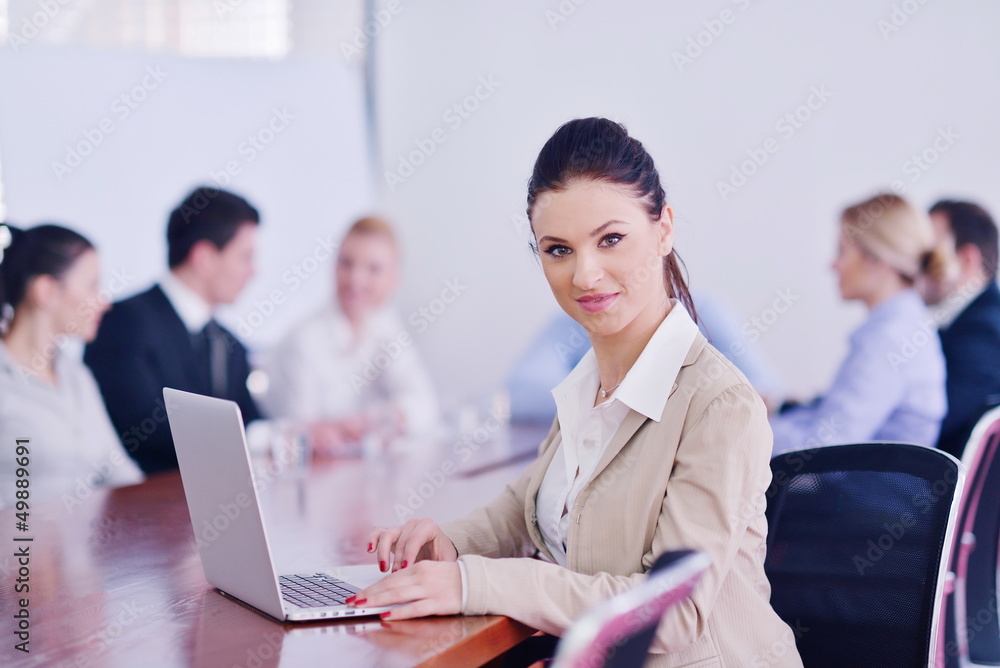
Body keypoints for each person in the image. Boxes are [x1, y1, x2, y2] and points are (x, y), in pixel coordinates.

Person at [347, 118, 803, 667]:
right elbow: (530, 507)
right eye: (558, 250)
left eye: (610, 239)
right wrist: (447, 543)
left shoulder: (719, 405)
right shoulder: (591, 380)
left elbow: (670, 611)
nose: (585, 275)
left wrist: (473, 583)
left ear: (663, 230)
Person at [85, 187, 263, 474]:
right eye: (245, 257)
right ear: (204, 258)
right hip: (145, 506)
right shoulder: (124, 323)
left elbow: (249, 421)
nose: (254, 271)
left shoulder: (229, 343)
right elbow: (143, 431)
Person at [770, 193, 947, 455]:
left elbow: (819, 451)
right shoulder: (905, 324)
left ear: (877, 262)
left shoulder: (888, 340)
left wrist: (749, 425)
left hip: (841, 492)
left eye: (842, 251)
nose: (833, 265)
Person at [263, 216, 439, 452]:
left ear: (394, 279)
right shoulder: (303, 340)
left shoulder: (385, 326)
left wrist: (377, 419)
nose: (356, 279)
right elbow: (298, 432)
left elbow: (425, 404)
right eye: (346, 263)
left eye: (373, 269)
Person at [0, 223, 143, 507]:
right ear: (45, 290)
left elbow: (117, 470)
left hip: (88, 544)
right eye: (92, 285)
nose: (104, 302)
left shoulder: (76, 376)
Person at [507, 293, 785, 422]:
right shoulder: (573, 324)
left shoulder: (705, 314)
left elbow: (765, 393)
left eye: (613, 241)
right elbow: (519, 393)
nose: (589, 274)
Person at [918, 199, 1000, 458]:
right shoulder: (970, 322)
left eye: (927, 254)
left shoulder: (982, 332)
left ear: (966, 259)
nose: (914, 266)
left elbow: (928, 427)